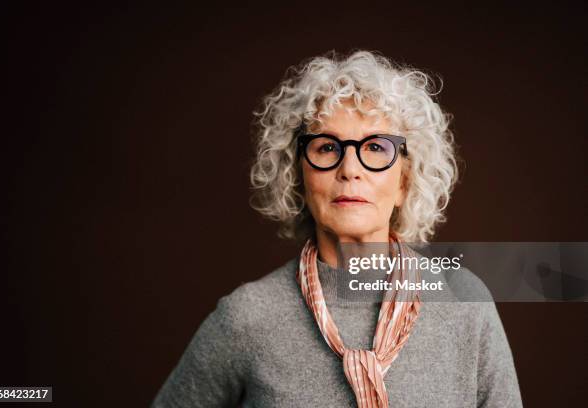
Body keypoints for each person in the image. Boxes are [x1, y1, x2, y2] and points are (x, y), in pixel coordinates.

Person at [151, 50, 523, 407]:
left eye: (376, 147)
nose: (350, 169)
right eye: (327, 147)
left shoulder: (464, 302)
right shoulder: (247, 317)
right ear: (298, 175)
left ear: (405, 181)